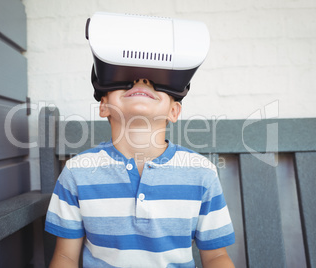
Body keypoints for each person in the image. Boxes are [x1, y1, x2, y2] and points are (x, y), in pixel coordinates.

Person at [45, 13, 235, 268]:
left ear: (174, 112)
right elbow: (66, 256)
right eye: (128, 78)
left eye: (156, 82)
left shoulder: (202, 174)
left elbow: (216, 257)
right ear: (103, 106)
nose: (142, 81)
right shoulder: (78, 173)